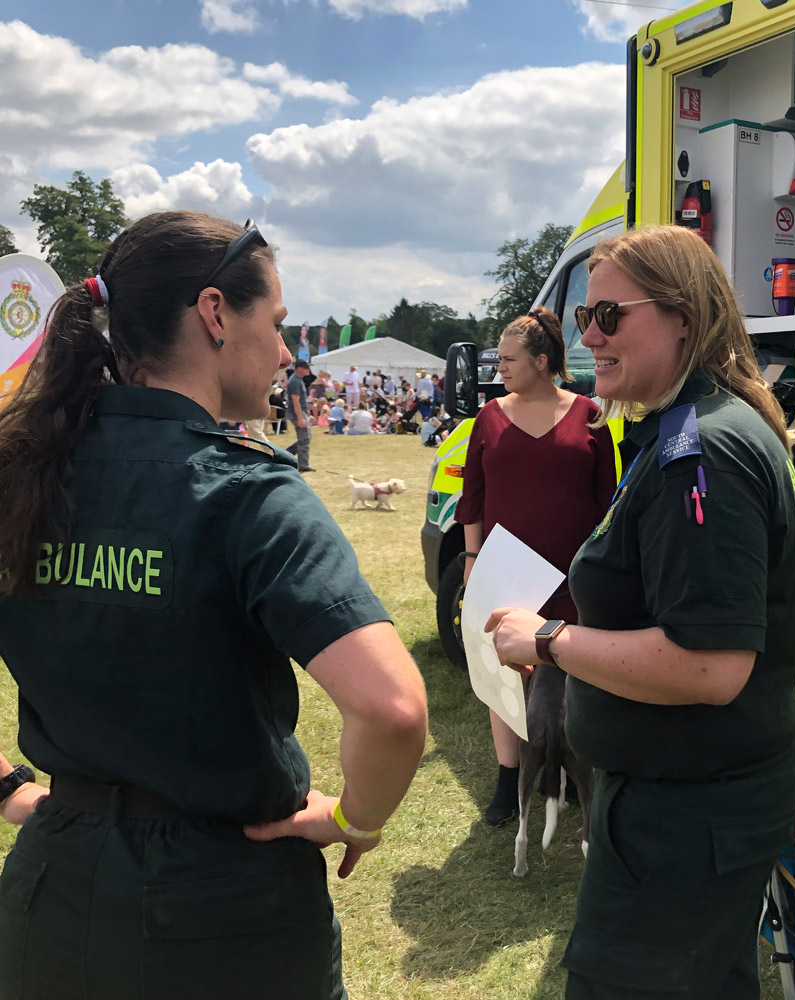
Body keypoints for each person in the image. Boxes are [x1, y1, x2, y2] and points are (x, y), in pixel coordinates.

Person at [0, 211, 428, 1000]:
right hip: (226, 915)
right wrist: (356, 821)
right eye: (277, 322)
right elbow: (394, 709)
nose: (288, 352)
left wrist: (10, 791)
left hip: (48, 905)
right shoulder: (245, 490)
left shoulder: (24, 472)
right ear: (215, 314)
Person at [486, 226, 795, 1000]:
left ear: (684, 319)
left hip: (687, 818)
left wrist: (552, 638)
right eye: (579, 319)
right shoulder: (681, 428)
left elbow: (710, 666)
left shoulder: (700, 452)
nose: (587, 337)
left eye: (609, 316)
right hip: (689, 806)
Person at [455, 306, 617, 826]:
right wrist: (473, 558)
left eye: (508, 359)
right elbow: (472, 497)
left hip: (573, 574)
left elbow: (606, 501)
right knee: (504, 675)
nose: (498, 368)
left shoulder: (591, 414)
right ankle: (508, 780)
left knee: (567, 666)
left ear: (542, 360)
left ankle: (564, 771)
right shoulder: (489, 416)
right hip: (505, 569)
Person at [286, 358, 315, 473]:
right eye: (306, 368)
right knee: (304, 440)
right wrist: (300, 418)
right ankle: (303, 465)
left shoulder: (298, 380)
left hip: (301, 412)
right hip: (296, 413)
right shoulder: (295, 382)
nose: (308, 370)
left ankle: (286, 454)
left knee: (305, 438)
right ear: (300, 369)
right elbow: (295, 401)